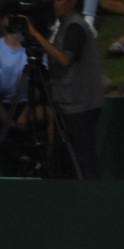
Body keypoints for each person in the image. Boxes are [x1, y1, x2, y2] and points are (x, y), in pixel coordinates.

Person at [20, 0, 103, 178]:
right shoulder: (63, 25)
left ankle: (94, 195)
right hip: (67, 102)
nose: (55, 4)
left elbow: (65, 60)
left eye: (60, 0)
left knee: (83, 157)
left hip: (81, 104)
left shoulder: (75, 26)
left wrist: (36, 35)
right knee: (62, 158)